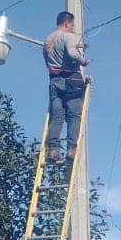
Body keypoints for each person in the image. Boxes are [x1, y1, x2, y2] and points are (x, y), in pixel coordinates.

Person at [42, 11, 90, 162]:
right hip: (71, 81)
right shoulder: (68, 36)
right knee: (74, 116)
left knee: (57, 116)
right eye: (72, 26)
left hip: (54, 81)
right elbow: (71, 52)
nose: (72, 29)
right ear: (67, 23)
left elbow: (53, 56)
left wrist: (79, 45)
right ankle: (71, 149)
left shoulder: (48, 40)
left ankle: (54, 150)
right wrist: (83, 60)